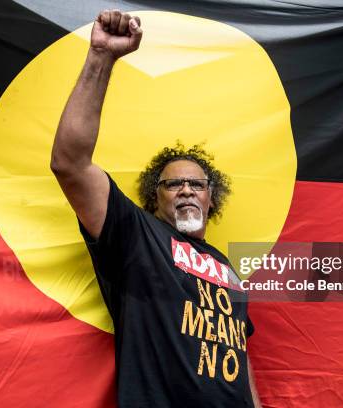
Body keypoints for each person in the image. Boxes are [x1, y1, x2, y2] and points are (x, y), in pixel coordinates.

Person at [51, 9, 261, 408]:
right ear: (156, 197)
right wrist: (101, 56)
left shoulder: (229, 269)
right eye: (172, 184)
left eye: (196, 184)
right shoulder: (137, 236)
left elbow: (241, 352)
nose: (185, 190)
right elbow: (70, 163)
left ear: (210, 197)